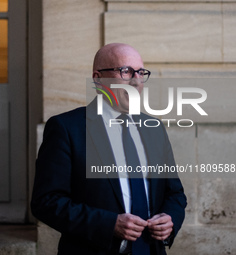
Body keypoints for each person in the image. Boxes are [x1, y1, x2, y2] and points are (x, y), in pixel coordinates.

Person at [31, 43, 187, 255]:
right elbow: (46, 202)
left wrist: (170, 219)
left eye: (141, 72)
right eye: (126, 71)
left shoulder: (154, 128)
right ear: (98, 78)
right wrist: (108, 224)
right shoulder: (66, 128)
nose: (136, 80)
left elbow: (175, 193)